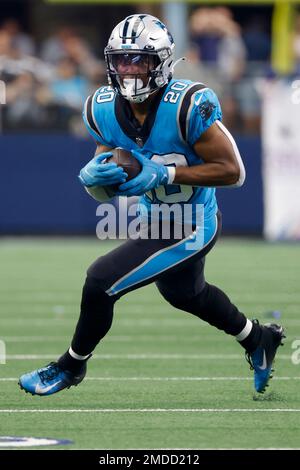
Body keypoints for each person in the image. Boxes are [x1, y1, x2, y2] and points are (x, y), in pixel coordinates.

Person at [18, 14, 284, 396]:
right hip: (153, 218)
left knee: (100, 280)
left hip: (192, 223)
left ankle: (70, 366)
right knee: (184, 294)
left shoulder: (188, 104)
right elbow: (110, 178)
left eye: (139, 60)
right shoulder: (102, 107)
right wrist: (96, 181)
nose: (129, 70)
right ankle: (258, 339)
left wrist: (165, 175)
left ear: (161, 62)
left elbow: (233, 171)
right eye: (122, 60)